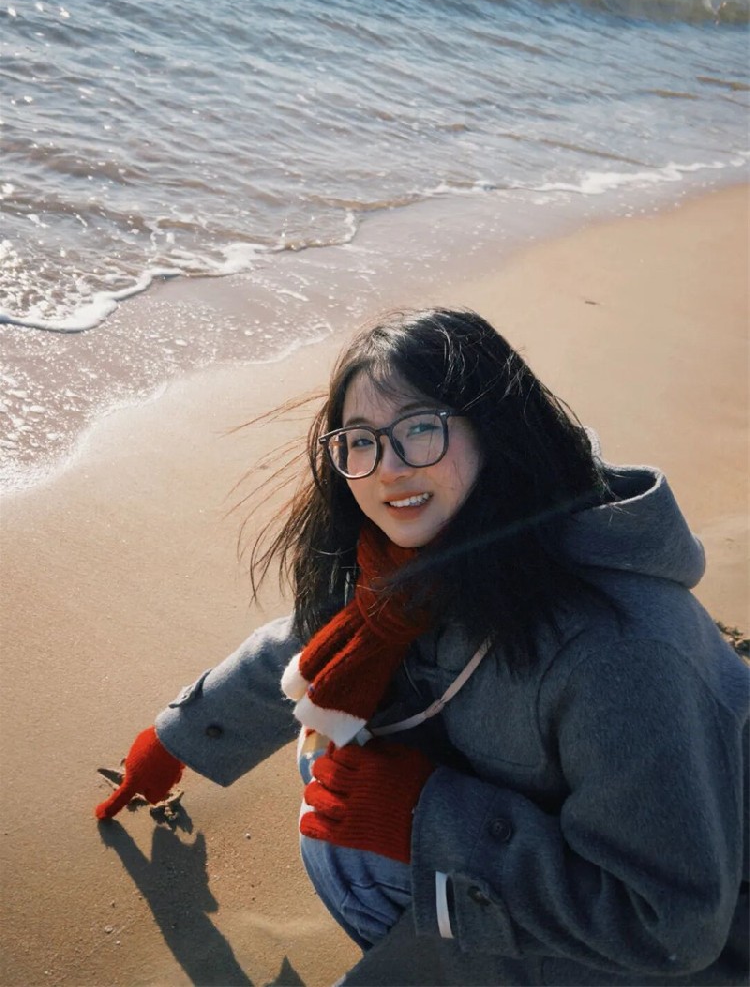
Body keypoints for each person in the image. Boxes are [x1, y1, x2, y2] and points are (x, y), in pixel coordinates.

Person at [95, 308, 749, 986]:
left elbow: (669, 925)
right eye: (361, 441)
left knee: (356, 820)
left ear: (497, 429)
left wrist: (422, 815)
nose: (389, 469)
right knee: (330, 739)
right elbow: (320, 640)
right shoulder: (425, 564)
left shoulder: (621, 648)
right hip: (542, 836)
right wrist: (178, 738)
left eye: (420, 429)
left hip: (692, 954)